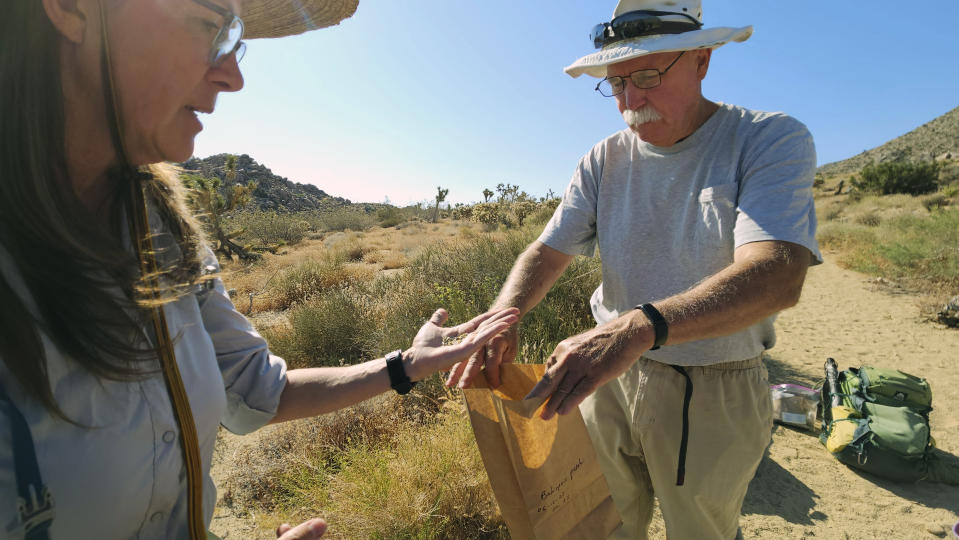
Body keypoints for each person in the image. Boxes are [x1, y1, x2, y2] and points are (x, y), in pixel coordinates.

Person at [0, 1, 518, 539]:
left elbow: (254, 393)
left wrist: (406, 365)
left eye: (232, 37)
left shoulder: (164, 231)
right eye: (207, 25)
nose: (233, 75)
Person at [447, 1, 822, 538]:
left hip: (711, 384)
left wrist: (639, 327)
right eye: (616, 83)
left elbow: (777, 273)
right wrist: (501, 315)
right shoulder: (603, 159)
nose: (630, 100)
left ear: (701, 60)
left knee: (702, 530)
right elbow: (546, 251)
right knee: (604, 522)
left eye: (647, 75)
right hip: (605, 379)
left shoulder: (766, 139)